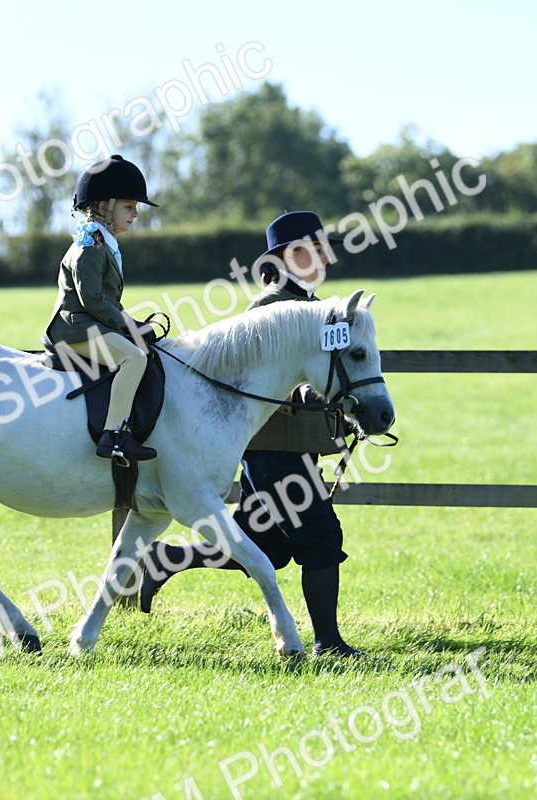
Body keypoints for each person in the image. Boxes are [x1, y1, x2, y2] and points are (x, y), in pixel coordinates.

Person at [138, 210, 366, 657]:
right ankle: (329, 643)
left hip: (289, 445)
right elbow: (265, 379)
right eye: (307, 249)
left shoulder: (313, 306)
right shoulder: (271, 307)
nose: (319, 256)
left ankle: (165, 560)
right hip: (273, 448)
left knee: (267, 544)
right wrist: (307, 394)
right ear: (282, 258)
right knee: (321, 537)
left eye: (321, 248)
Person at [45, 154, 160, 462]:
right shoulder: (90, 245)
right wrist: (128, 325)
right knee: (133, 358)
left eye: (135, 208)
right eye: (129, 207)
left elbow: (105, 301)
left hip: (93, 323)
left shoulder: (104, 241)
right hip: (75, 328)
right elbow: (92, 298)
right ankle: (115, 435)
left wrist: (132, 323)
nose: (135, 214)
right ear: (103, 207)